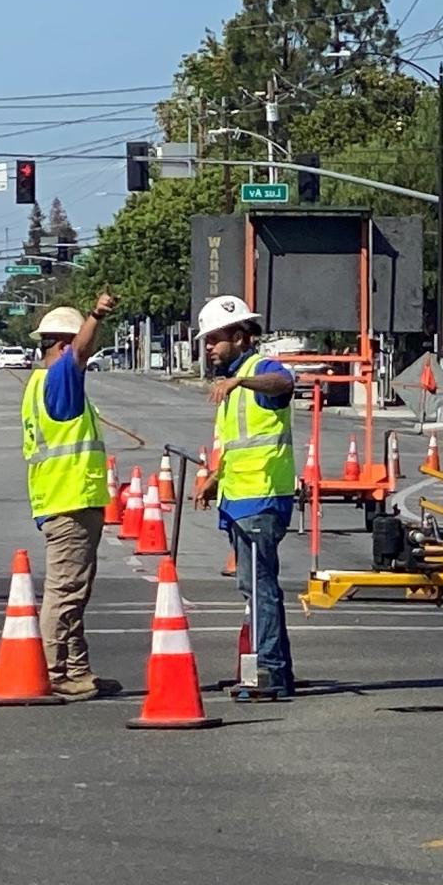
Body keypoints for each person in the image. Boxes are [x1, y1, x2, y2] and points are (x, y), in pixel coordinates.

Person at [194, 294, 298, 699]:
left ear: (239, 336)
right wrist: (215, 478)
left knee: (259, 588)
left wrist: (242, 380)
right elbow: (237, 443)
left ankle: (269, 672)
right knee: (258, 586)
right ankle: (277, 671)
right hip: (240, 498)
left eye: (215, 339)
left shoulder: (259, 371)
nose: (209, 348)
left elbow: (284, 383)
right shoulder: (231, 383)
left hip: (262, 497)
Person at [22, 293, 119, 701]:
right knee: (65, 592)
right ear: (63, 345)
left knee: (74, 591)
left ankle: (77, 669)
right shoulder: (60, 376)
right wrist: (95, 316)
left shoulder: (41, 384)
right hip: (70, 502)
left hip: (65, 501)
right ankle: (54, 671)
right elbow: (80, 351)